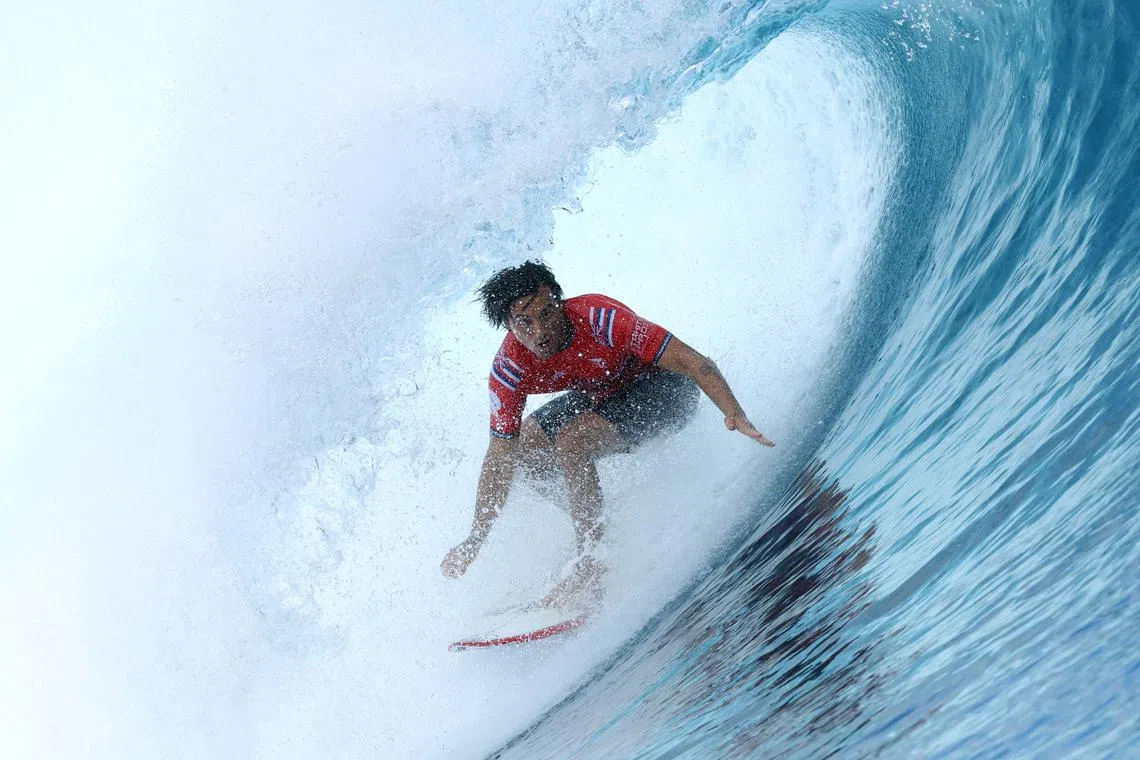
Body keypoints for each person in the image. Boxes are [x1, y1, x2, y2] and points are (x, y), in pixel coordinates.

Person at [440, 261, 774, 599]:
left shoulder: (600, 319)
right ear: (509, 327)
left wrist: (734, 413)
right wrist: (474, 539)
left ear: (560, 302)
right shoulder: (509, 369)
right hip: (603, 393)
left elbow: (693, 362)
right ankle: (596, 527)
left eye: (546, 315)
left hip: (666, 390)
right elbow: (500, 457)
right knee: (523, 450)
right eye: (524, 323)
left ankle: (592, 561)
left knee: (572, 442)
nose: (539, 333)